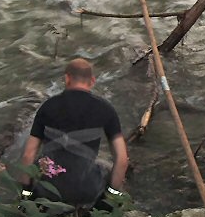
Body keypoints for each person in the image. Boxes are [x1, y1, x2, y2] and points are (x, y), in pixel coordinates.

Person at [20, 58, 128, 206]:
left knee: (38, 162)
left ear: (66, 78)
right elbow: (122, 160)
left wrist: (26, 194)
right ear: (92, 80)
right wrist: (111, 196)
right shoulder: (106, 109)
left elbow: (28, 155)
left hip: (48, 192)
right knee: (110, 168)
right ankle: (106, 208)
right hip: (87, 192)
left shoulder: (47, 106)